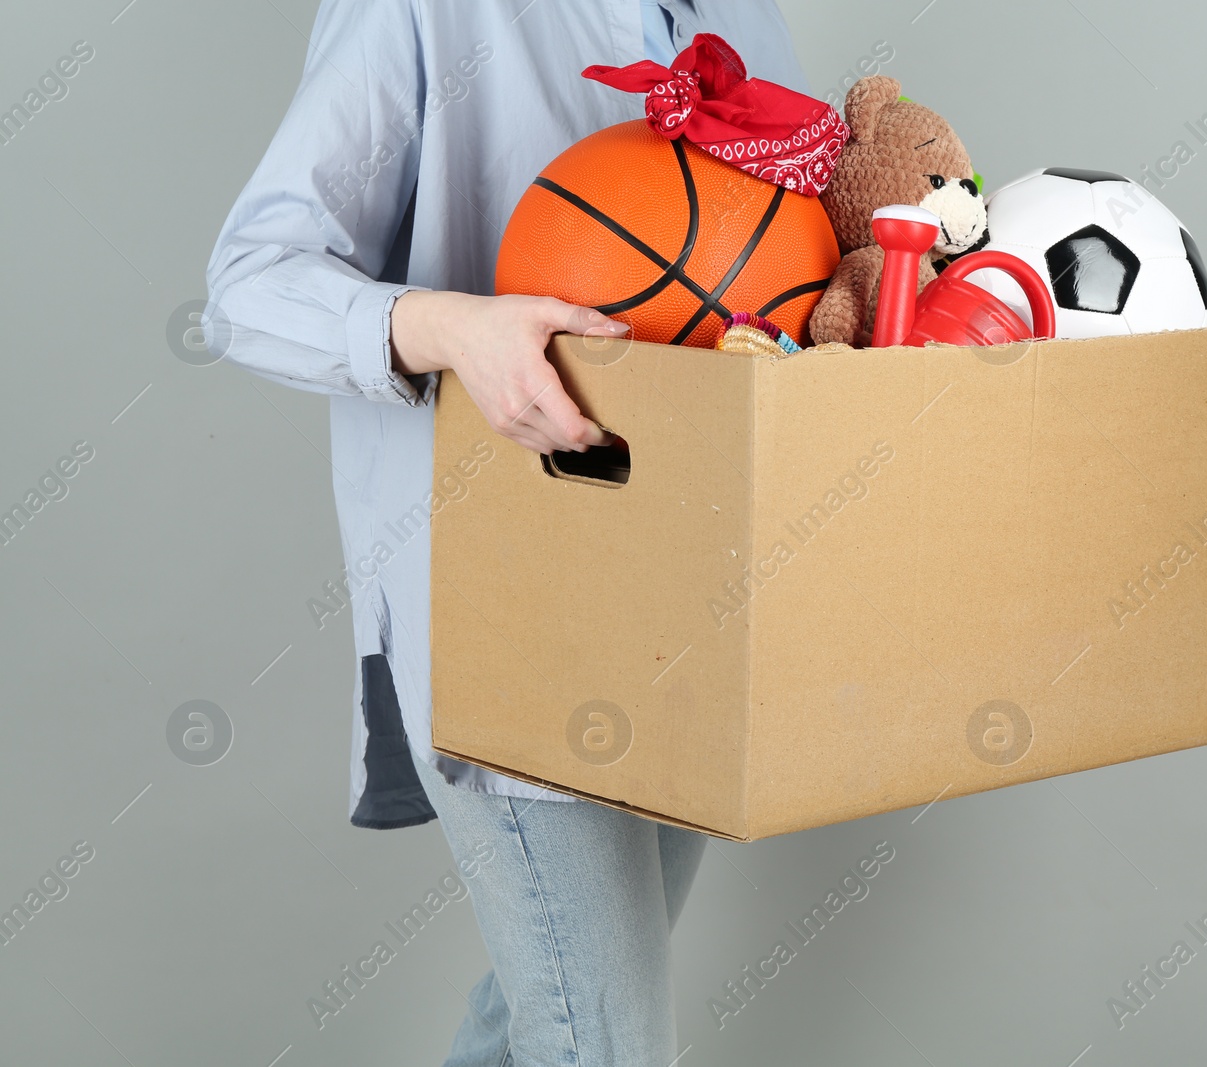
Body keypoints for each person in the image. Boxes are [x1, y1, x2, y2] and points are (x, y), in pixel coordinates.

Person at [203, 1, 809, 1061]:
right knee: (605, 1039)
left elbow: (780, 265)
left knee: (555, 1009)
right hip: (506, 614)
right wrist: (457, 329)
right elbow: (248, 284)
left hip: (700, 596)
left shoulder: (739, 14)